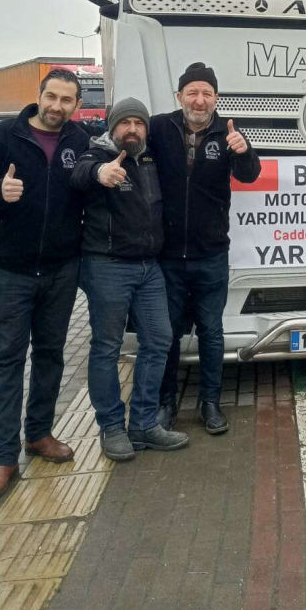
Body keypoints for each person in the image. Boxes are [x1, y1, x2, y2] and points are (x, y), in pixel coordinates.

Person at [0, 70, 90, 502]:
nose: (57, 106)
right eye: (51, 96)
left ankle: (39, 434)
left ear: (76, 105)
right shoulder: (4, 136)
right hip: (7, 272)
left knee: (50, 355)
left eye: (66, 100)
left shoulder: (79, 141)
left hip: (60, 270)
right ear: (39, 95)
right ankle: (3, 459)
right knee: (5, 361)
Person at [72, 98, 189, 460]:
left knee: (159, 339)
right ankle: (111, 428)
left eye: (139, 123)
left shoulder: (149, 158)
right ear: (113, 126)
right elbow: (80, 173)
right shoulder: (97, 154)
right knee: (107, 347)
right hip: (107, 265)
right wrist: (99, 173)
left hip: (149, 266)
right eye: (125, 123)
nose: (133, 129)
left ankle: (143, 425)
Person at [151, 63, 261, 434]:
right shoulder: (159, 127)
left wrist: (244, 151)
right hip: (167, 256)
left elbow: (249, 174)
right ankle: (166, 403)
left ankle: (210, 403)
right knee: (167, 334)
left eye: (207, 93)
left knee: (212, 332)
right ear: (179, 96)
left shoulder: (227, 132)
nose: (199, 100)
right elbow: (125, 145)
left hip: (211, 254)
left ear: (216, 98)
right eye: (192, 92)